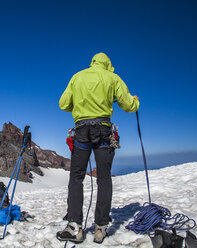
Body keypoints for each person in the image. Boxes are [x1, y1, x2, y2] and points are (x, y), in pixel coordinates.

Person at [56, 52, 139, 244]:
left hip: (81, 130)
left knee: (76, 177)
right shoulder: (113, 77)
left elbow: (63, 104)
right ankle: (100, 228)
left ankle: (74, 227)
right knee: (104, 178)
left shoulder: (77, 77)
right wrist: (135, 102)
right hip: (103, 130)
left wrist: (80, 106)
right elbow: (127, 104)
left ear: (92, 63)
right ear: (108, 64)